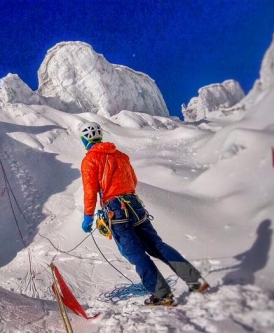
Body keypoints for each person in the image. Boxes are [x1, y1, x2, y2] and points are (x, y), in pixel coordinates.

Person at [78, 121, 209, 306]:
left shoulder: (89, 160)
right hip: (134, 205)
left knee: (135, 253)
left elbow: (90, 192)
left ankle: (162, 294)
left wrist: (88, 218)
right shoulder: (121, 156)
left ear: (85, 139)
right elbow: (133, 181)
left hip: (116, 211)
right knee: (156, 244)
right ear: (100, 135)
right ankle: (195, 279)